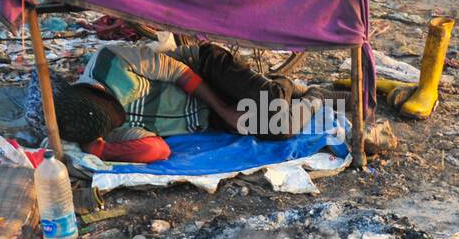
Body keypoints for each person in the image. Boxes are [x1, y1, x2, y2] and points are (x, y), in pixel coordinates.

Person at [30, 41, 319, 163]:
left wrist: (224, 109)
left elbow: (180, 72)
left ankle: (284, 85)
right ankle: (316, 96)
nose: (122, 119)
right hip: (205, 119)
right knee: (279, 126)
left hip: (204, 72)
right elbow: (157, 149)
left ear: (96, 89)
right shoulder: (103, 132)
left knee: (269, 99)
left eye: (118, 109)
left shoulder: (110, 61)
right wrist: (102, 150)